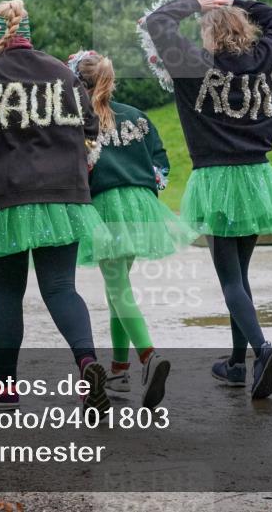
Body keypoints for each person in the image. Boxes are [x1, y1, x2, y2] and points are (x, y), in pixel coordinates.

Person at [0, 0, 110, 415]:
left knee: (5, 292)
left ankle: (4, 384)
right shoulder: (61, 71)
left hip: (3, 194)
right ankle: (88, 362)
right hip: (62, 195)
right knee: (60, 287)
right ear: (29, 34)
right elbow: (90, 128)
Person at [145, 0, 272, 400]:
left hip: (215, 177)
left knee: (229, 277)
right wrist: (237, 0)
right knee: (241, 276)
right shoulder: (267, 57)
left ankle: (262, 351)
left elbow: (158, 22)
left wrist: (195, 1)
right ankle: (235, 363)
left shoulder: (194, 65)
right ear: (246, 29)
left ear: (210, 34)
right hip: (257, 177)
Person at [70, 49, 196, 409]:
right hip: (141, 206)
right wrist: (150, 182)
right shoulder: (137, 116)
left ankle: (149, 356)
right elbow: (161, 160)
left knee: (118, 287)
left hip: (106, 207)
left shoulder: (78, 121)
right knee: (117, 288)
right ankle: (120, 370)